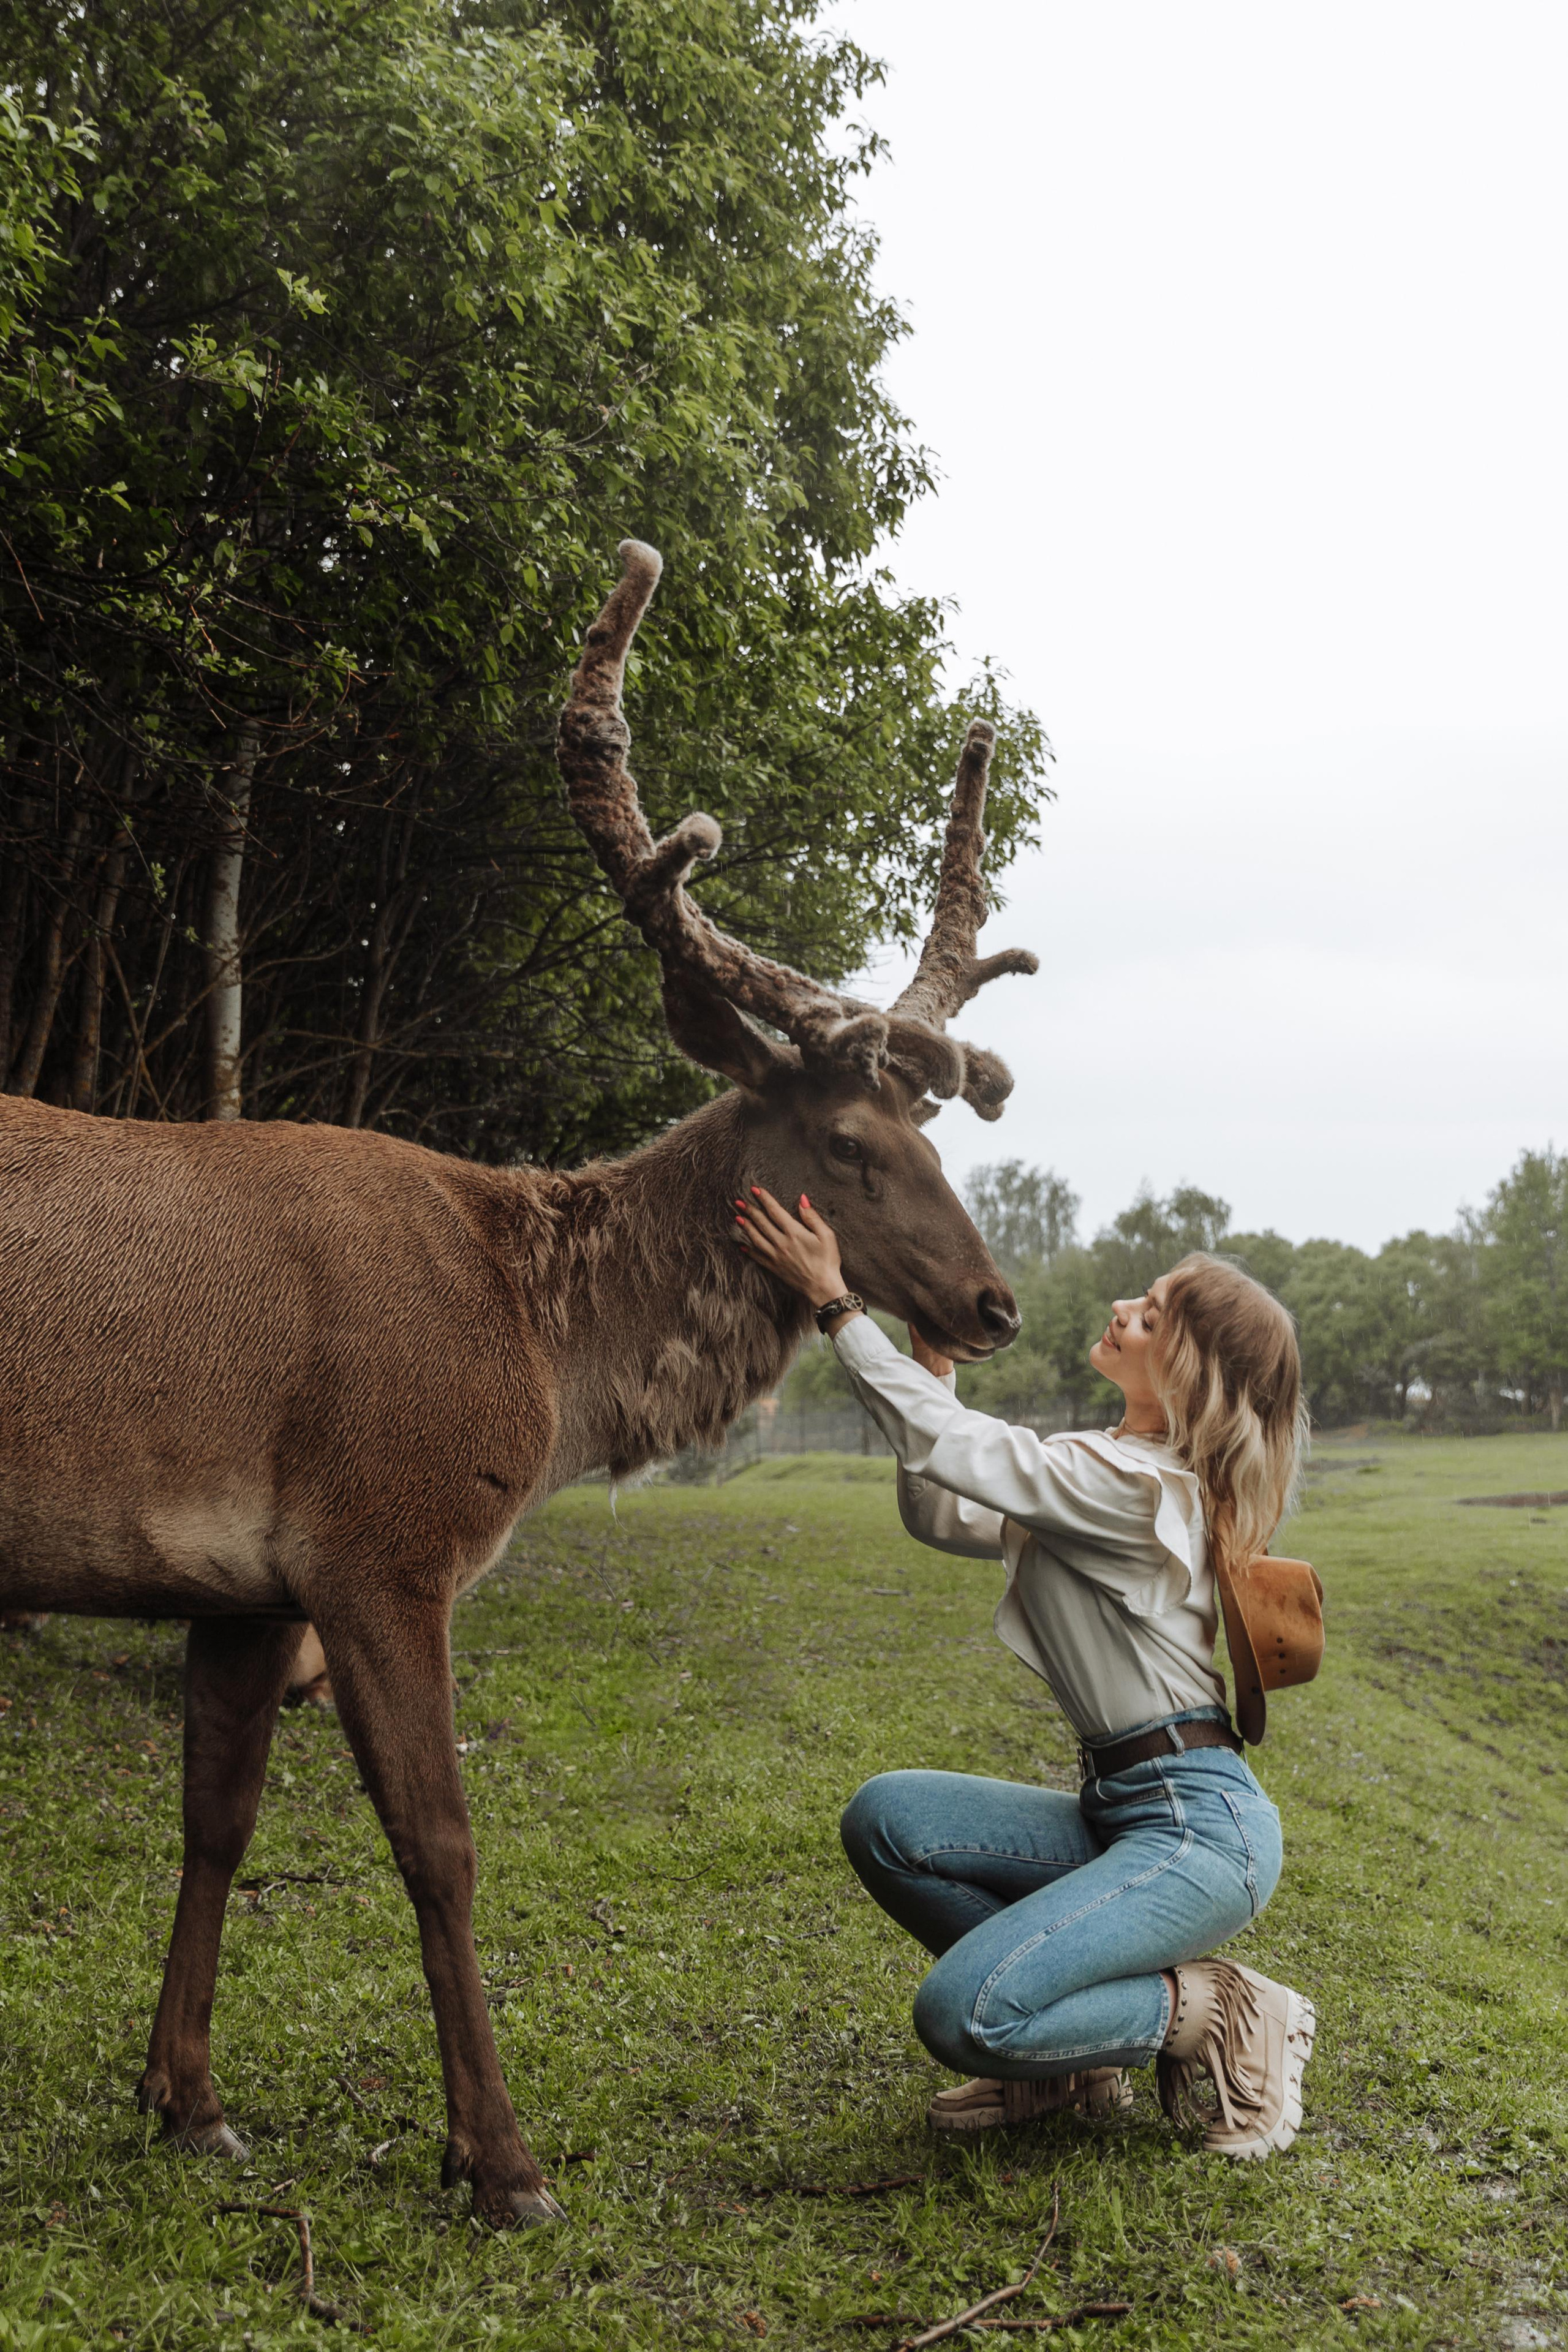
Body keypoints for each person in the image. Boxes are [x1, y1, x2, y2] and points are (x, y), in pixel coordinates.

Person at [732, 1183, 1316, 2161]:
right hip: (1118, 1809)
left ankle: (1212, 2009)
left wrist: (840, 1308)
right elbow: (946, 1511)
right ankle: (1070, 2066)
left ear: (1192, 1370)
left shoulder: (1140, 1491)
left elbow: (956, 1449)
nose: (1125, 1310)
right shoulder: (1106, 1469)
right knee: (891, 1822)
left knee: (963, 2015)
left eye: (1154, 1311)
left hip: (1198, 1830)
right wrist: (932, 1369)